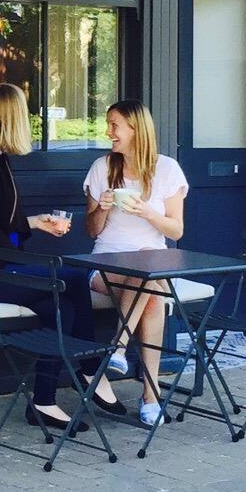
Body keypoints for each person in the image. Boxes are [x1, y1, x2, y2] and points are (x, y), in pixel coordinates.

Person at [0, 84, 119, 434]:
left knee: (61, 307)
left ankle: (43, 402)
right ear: (12, 116)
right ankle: (89, 368)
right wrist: (25, 234)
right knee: (74, 276)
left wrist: (35, 223)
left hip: (1, 265)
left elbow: (0, 224)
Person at [83, 100, 189, 427]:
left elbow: (176, 230)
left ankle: (119, 350)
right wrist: (101, 208)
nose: (108, 132)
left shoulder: (167, 169)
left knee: (148, 273)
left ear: (135, 129)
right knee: (150, 285)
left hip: (152, 263)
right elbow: (92, 231)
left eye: (114, 125)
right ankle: (151, 397)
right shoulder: (102, 167)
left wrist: (148, 213)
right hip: (106, 263)